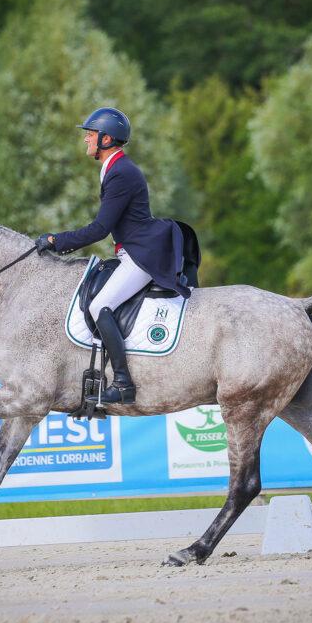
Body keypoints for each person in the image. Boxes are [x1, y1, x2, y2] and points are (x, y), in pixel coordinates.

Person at [35, 107, 191, 404]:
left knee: (99, 306)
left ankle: (123, 383)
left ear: (107, 139)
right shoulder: (115, 168)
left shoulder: (120, 172)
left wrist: (57, 241)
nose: (86, 140)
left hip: (142, 255)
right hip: (132, 251)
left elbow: (100, 229)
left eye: (90, 135)